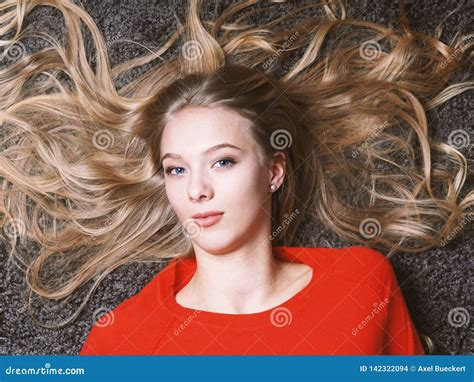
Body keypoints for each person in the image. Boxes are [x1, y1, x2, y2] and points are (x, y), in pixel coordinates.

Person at [1, 0, 470, 355]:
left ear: (273, 171)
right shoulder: (123, 340)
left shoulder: (361, 282)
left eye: (222, 161)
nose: (196, 189)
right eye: (176, 169)